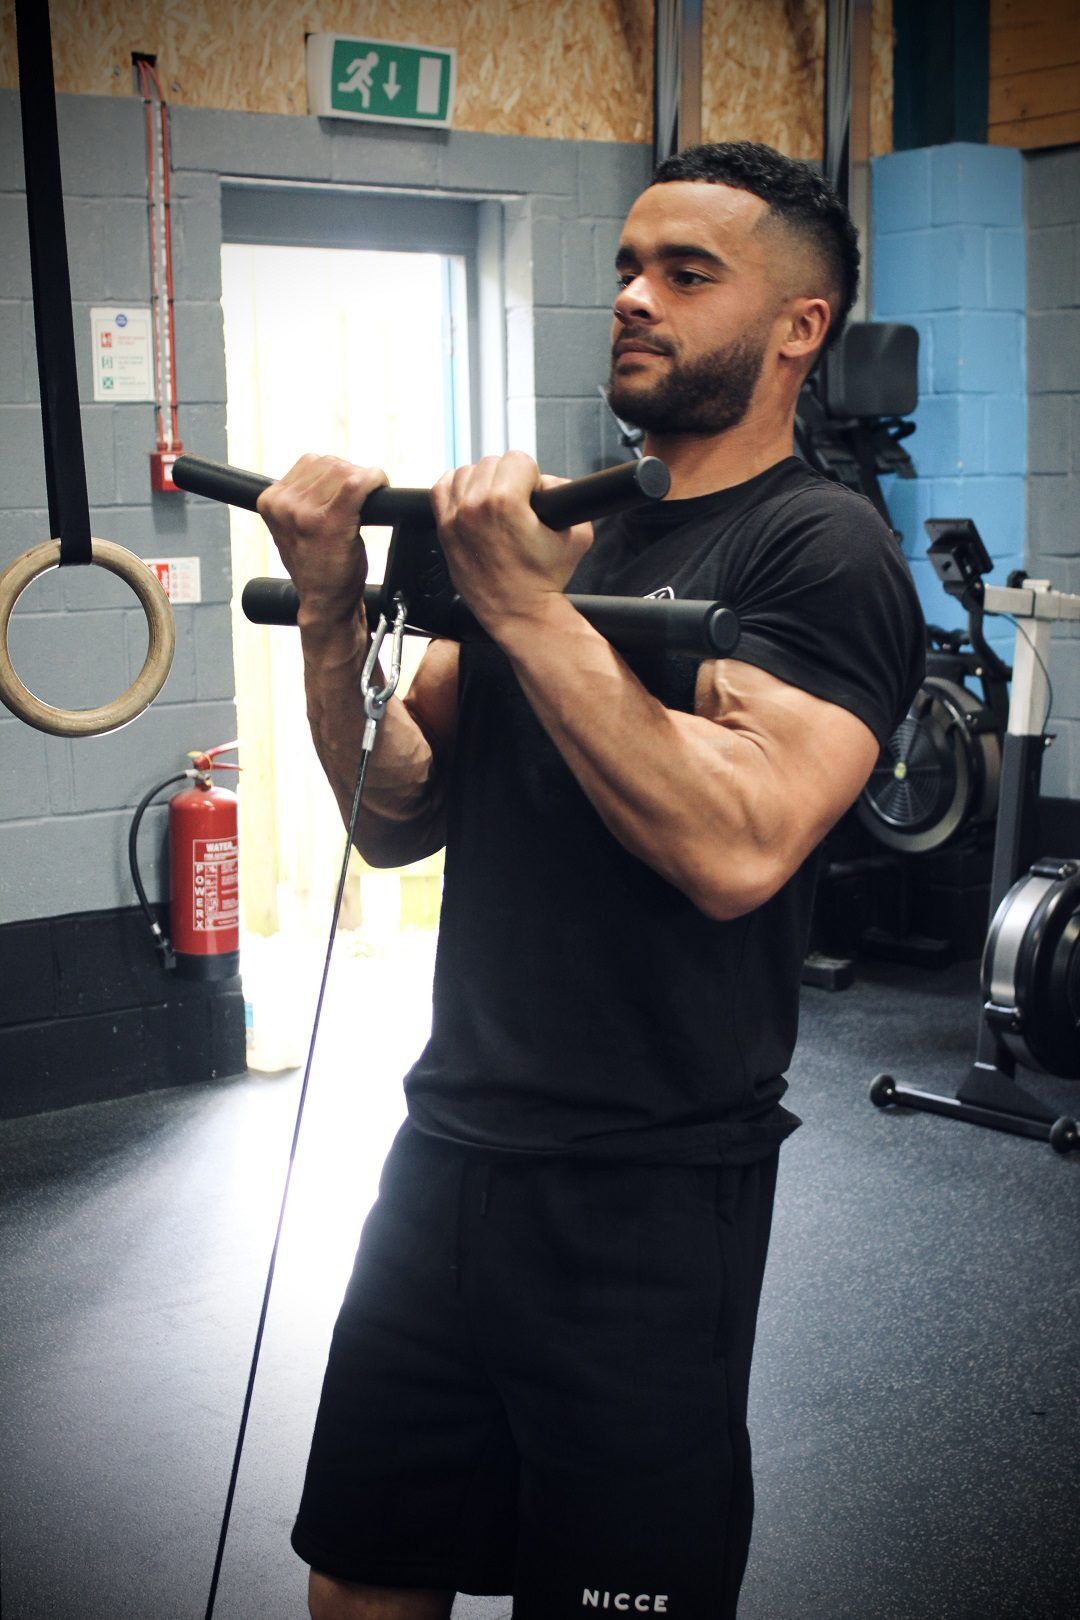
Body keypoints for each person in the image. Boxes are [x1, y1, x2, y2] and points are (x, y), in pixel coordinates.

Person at [257, 141, 925, 1620]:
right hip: (448, 1153)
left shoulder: (821, 549)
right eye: (627, 266)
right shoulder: (571, 528)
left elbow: (736, 846)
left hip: (649, 1188)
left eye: (688, 275)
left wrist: (519, 606)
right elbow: (395, 814)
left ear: (798, 329)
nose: (635, 296)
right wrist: (326, 619)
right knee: (361, 1585)